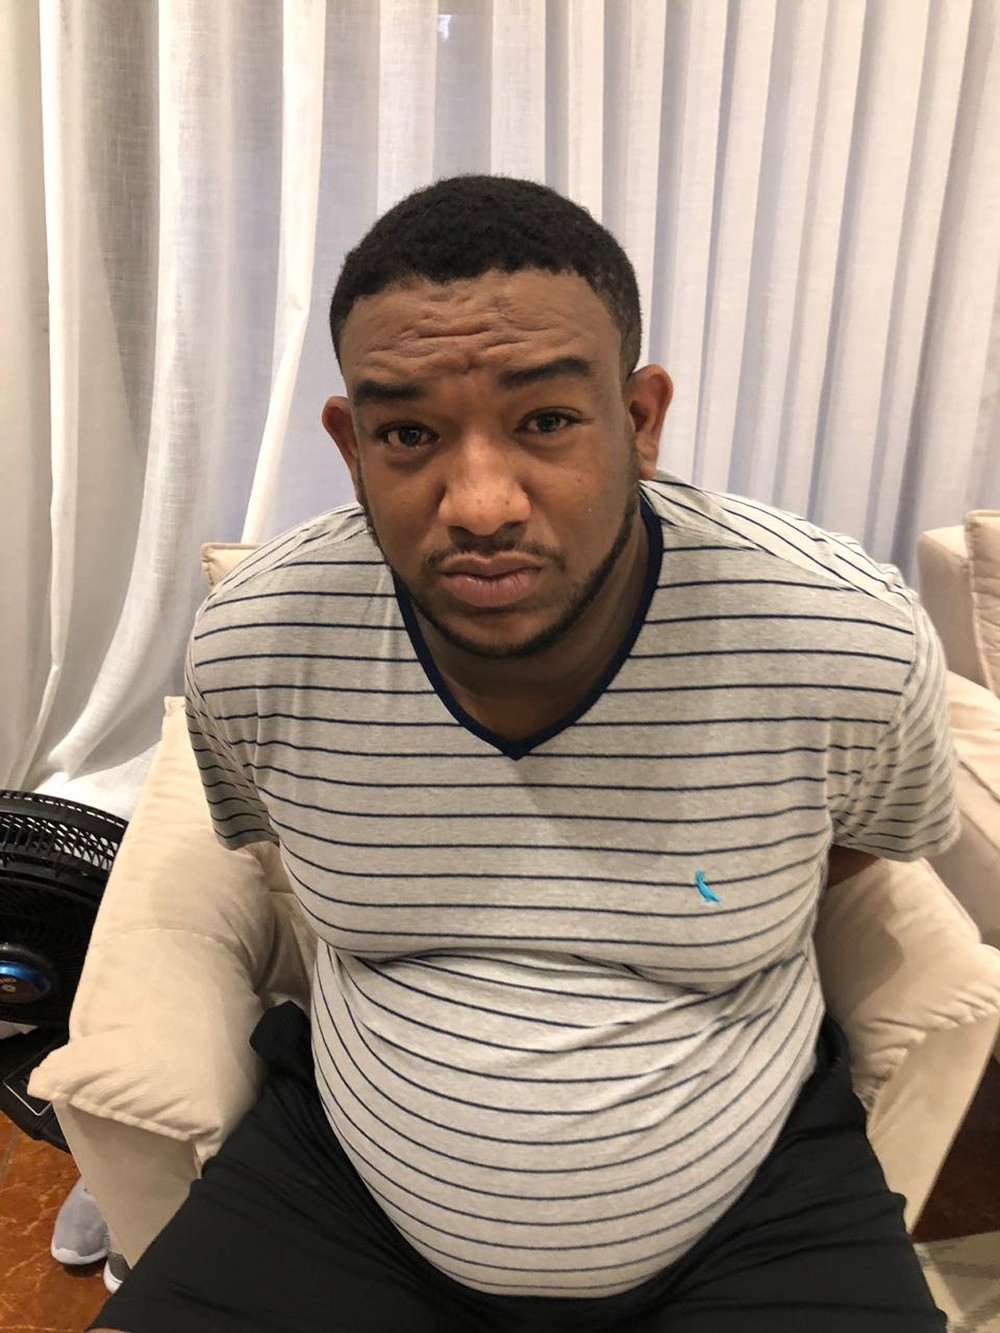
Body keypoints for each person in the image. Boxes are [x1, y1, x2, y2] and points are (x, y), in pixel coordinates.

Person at [92, 174, 958, 1333]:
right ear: (350, 444)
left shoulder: (843, 639)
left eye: (545, 421)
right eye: (409, 433)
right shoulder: (259, 644)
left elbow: (854, 848)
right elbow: (278, 846)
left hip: (759, 1205)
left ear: (639, 420)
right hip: (337, 1188)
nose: (482, 503)